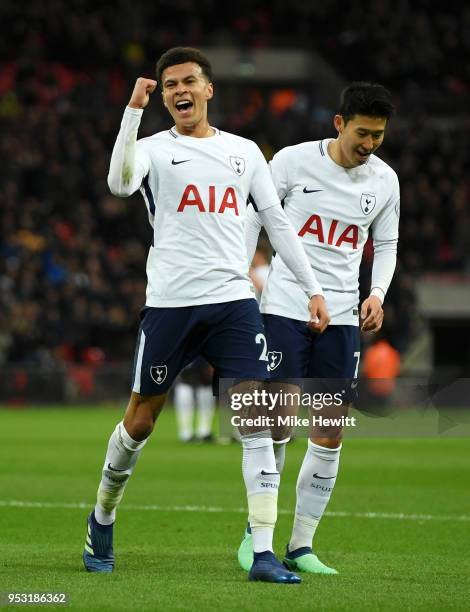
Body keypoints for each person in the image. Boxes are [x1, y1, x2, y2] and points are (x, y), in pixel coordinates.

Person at [82, 46, 330, 584]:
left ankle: (263, 551)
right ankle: (103, 514)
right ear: (163, 96)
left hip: (232, 300)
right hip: (170, 303)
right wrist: (131, 110)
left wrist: (313, 288)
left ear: (209, 89)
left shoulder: (244, 152)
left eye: (188, 81)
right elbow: (119, 184)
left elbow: (276, 223)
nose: (179, 91)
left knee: (255, 418)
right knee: (140, 421)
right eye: (170, 85)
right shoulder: (150, 147)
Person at [239, 82, 400, 575]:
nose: (369, 144)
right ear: (338, 123)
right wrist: (241, 273)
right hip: (286, 306)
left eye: (377, 135)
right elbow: (254, 218)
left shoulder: (385, 181)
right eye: (362, 133)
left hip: (345, 316)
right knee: (277, 421)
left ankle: (301, 546)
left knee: (330, 433)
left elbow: (387, 244)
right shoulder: (291, 162)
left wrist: (376, 295)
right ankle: (257, 535)